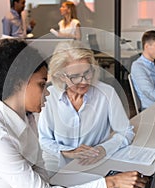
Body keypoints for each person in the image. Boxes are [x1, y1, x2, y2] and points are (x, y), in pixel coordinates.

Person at [0, 39, 148, 188]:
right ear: (18, 82)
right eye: (42, 84)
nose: (47, 91)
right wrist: (111, 182)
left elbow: (41, 173)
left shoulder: (27, 119)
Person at [38, 41, 135, 173]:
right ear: (61, 76)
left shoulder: (107, 93)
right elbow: (44, 139)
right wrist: (69, 152)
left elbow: (126, 132)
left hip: (96, 165)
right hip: (59, 167)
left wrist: (103, 149)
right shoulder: (50, 96)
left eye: (87, 72)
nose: (84, 81)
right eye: (75, 76)